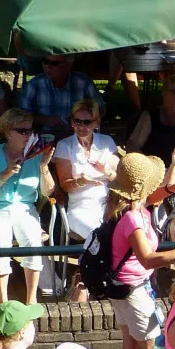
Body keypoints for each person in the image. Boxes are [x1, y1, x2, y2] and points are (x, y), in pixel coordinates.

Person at [100, 153, 175, 349]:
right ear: (141, 188)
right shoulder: (132, 219)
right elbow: (148, 259)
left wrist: (170, 189)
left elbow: (151, 198)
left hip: (126, 289)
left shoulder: (128, 205)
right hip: (133, 292)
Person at [0, 108, 48, 307]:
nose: (29, 135)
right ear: (8, 132)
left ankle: (31, 300)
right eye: (23, 131)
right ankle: (3, 301)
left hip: (25, 209)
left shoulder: (36, 155)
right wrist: (6, 173)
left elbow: (49, 192)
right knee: (1, 243)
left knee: (34, 241)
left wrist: (43, 167)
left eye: (31, 131)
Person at [52, 97, 120, 251]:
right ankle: (98, 272)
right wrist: (82, 181)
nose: (81, 126)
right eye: (77, 121)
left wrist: (106, 171)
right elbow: (65, 185)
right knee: (99, 237)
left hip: (109, 204)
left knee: (124, 232)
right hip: (80, 207)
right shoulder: (65, 145)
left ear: (96, 123)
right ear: (72, 122)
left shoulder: (106, 142)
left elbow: (119, 179)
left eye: (87, 122)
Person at [22, 52, 103, 137]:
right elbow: (21, 114)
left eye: (54, 63)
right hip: (44, 139)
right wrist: (44, 120)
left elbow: (100, 109)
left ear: (68, 66)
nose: (48, 67)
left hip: (78, 137)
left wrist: (79, 123)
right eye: (46, 61)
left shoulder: (84, 83)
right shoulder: (34, 84)